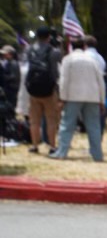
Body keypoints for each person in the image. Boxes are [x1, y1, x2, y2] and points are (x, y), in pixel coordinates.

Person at [49, 37, 104, 161]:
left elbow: (64, 80)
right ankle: (97, 155)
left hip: (73, 96)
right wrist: (101, 99)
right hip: (92, 96)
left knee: (67, 125)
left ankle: (62, 152)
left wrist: (62, 98)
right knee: (94, 126)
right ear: (84, 46)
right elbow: (101, 81)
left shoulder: (68, 60)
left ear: (70, 47)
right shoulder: (93, 60)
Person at [25, 26, 61, 154]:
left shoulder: (29, 50)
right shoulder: (54, 51)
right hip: (49, 90)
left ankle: (35, 145)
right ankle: (52, 146)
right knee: (51, 119)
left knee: (34, 120)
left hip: (33, 89)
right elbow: (55, 72)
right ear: (49, 37)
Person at [1, 45, 21, 111]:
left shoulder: (13, 63)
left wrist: (3, 76)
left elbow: (14, 77)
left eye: (4, 53)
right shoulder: (8, 63)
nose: (3, 55)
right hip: (9, 89)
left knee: (11, 107)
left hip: (12, 89)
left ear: (10, 54)